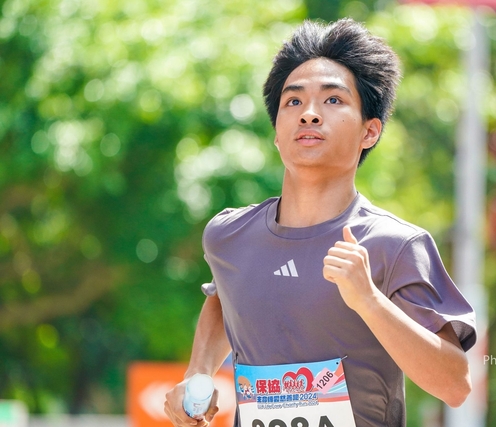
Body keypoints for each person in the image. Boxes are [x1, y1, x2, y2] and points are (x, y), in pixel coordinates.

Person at [164, 17, 476, 427]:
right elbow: (225, 295)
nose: (309, 114)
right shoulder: (229, 236)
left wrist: (369, 301)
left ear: (370, 132)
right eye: (293, 102)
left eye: (333, 100)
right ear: (277, 133)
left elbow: (455, 386)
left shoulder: (395, 245)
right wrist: (198, 372)